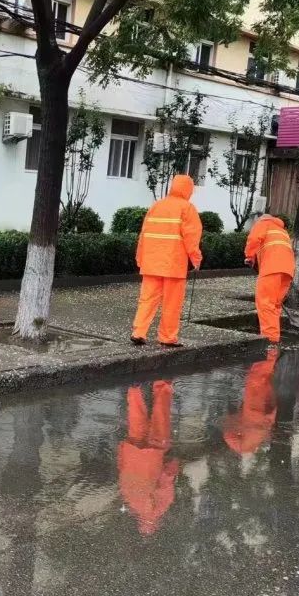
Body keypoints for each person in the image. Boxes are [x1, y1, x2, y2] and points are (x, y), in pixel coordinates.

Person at [131, 174, 203, 347]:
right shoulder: (187, 208)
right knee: (172, 302)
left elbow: (144, 235)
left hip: (151, 263)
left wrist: (140, 258)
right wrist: (196, 259)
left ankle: (139, 332)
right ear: (188, 190)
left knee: (147, 299)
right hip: (173, 265)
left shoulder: (156, 206)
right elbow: (191, 238)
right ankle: (167, 337)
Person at [118, 380, 180, 536]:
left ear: (156, 525)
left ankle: (163, 384)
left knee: (160, 417)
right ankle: (134, 389)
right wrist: (122, 451)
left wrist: (173, 464)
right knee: (136, 422)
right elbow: (122, 472)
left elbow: (165, 482)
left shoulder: (157, 509)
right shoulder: (131, 501)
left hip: (154, 455)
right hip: (133, 453)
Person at [244, 213, 295, 344]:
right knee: (274, 305)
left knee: (265, 304)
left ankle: (269, 340)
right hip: (287, 271)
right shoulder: (282, 230)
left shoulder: (262, 224)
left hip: (271, 269)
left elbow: (254, 239)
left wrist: (249, 257)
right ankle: (274, 338)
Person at [223, 349, 278, 456]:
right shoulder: (242, 447)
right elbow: (228, 434)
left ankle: (271, 350)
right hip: (254, 407)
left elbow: (271, 417)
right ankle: (270, 348)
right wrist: (237, 418)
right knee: (257, 377)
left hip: (263, 409)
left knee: (264, 377)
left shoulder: (259, 438)